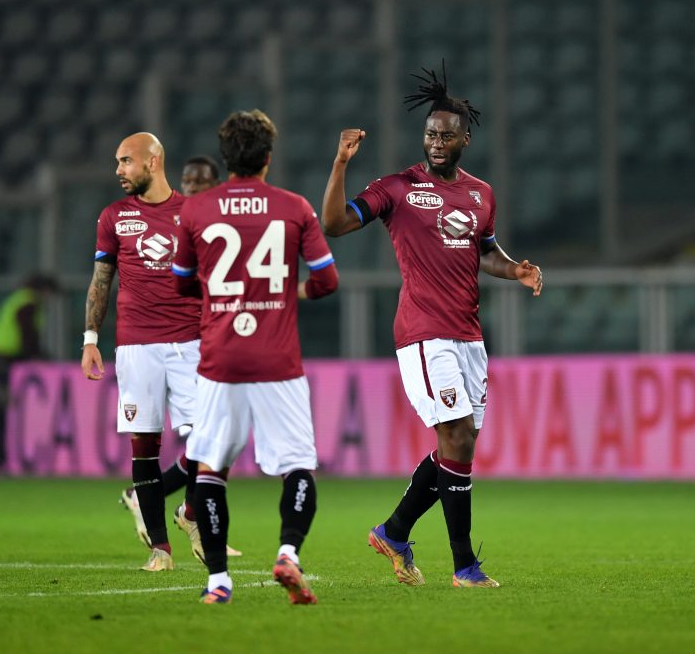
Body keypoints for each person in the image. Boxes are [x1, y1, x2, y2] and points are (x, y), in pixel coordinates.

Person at [322, 63, 543, 589]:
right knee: (458, 436)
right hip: (424, 333)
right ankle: (464, 565)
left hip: (469, 336)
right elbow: (334, 224)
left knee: (458, 448)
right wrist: (339, 164)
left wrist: (515, 269)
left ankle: (395, 532)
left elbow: (484, 250)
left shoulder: (481, 194)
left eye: (446, 134)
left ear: (465, 138)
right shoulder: (397, 187)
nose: (436, 142)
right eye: (429, 134)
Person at [173, 109, 338, 605]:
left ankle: (218, 582)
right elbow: (327, 281)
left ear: (226, 160)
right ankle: (288, 551)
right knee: (298, 467)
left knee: (209, 471)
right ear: (268, 157)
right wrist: (290, 293)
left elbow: (181, 283)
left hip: (219, 362)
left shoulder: (197, 211)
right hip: (277, 363)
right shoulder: (294, 207)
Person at [81, 132, 226, 571]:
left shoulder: (192, 212)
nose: (119, 170)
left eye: (126, 161)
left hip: (190, 343)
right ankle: (160, 548)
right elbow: (101, 281)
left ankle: (191, 513)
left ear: (154, 160)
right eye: (117, 162)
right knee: (144, 443)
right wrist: (90, 339)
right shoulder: (113, 217)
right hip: (136, 346)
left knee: (210, 441)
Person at [0, 273, 58, 472]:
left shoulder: (20, 299)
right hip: (2, 359)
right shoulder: (28, 303)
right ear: (43, 290)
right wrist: (36, 354)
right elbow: (27, 332)